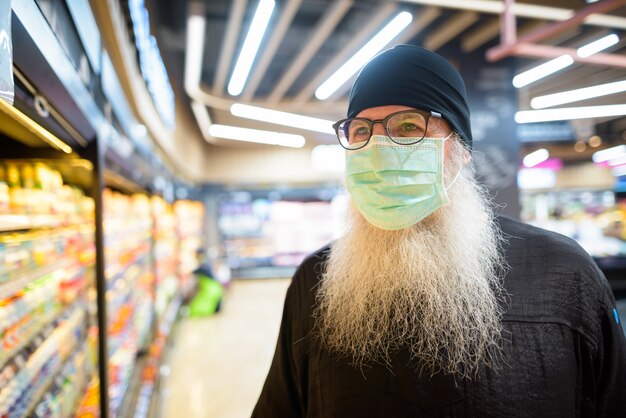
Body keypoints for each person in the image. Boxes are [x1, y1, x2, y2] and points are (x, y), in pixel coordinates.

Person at [252, 45, 626, 417]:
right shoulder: (316, 281)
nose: (379, 149)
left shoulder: (563, 275)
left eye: (409, 127)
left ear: (459, 149)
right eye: (361, 130)